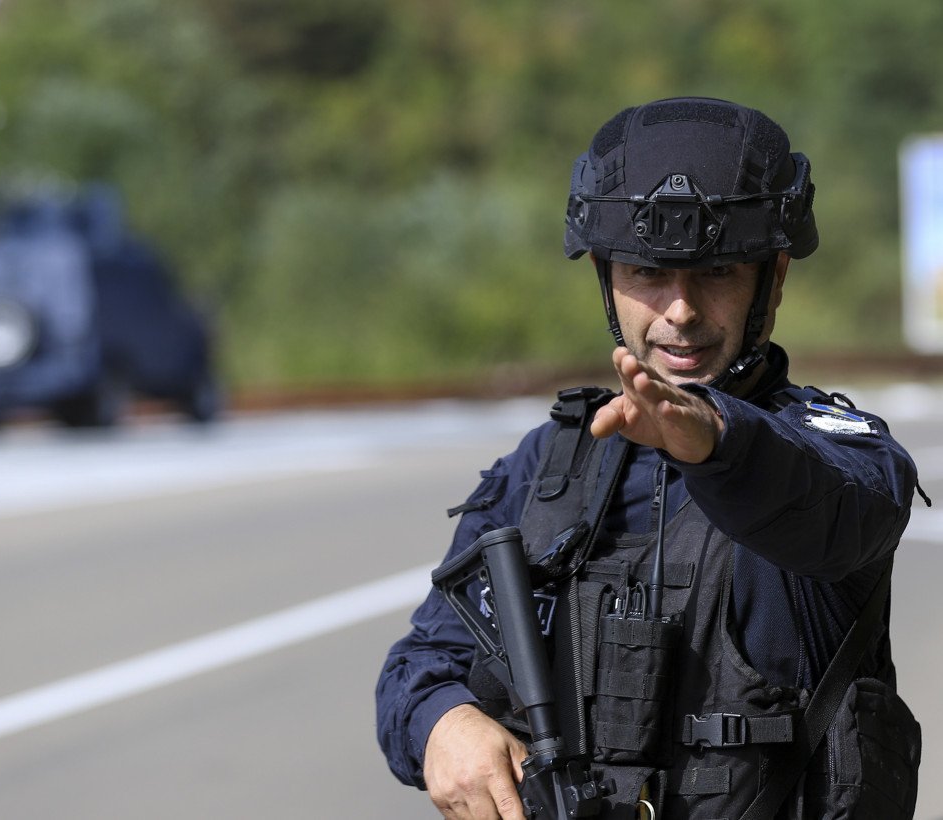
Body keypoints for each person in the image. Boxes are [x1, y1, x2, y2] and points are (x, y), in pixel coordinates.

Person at [375, 97, 926, 819]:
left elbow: (835, 515)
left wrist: (720, 443)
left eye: (718, 272)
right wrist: (444, 722)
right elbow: (422, 663)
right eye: (647, 272)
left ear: (775, 276)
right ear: (606, 275)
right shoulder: (548, 466)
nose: (680, 310)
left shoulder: (835, 452)